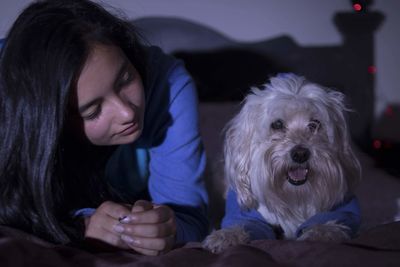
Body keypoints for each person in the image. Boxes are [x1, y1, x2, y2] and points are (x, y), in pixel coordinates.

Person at [0, 0, 209, 256]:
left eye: (125, 79)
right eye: (93, 110)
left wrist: (167, 227)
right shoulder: (11, 102)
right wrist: (81, 226)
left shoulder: (170, 83)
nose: (127, 112)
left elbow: (192, 218)